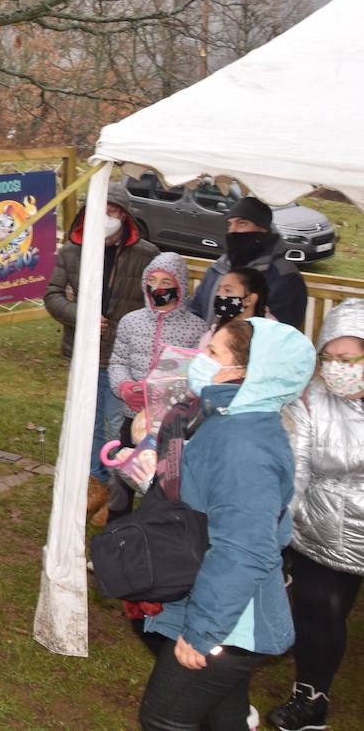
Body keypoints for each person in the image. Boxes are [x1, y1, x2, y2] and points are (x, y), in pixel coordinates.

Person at [138, 317, 316, 730]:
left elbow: (244, 549)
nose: (201, 358)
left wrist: (203, 631)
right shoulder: (233, 420)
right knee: (226, 718)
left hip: (231, 625)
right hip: (222, 609)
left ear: (248, 373)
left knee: (164, 720)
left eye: (214, 353)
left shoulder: (244, 446)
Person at [268, 300, 364, 731]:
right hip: (325, 531)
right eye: (329, 358)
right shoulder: (307, 403)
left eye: (348, 360)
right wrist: (279, 533)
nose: (337, 368)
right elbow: (296, 472)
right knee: (320, 612)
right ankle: (311, 699)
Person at [44, 189, 159, 524]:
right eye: (102, 209)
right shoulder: (72, 251)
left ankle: (117, 489)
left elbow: (156, 302)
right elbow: (53, 296)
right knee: (89, 422)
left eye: (115, 211)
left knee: (116, 424)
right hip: (85, 354)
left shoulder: (145, 254)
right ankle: (96, 483)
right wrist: (82, 314)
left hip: (125, 358)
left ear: (126, 216)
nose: (108, 217)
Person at [103, 253, 207, 524]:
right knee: (122, 476)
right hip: (132, 418)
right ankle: (116, 529)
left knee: (163, 479)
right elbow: (118, 361)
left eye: (166, 281)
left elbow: (199, 376)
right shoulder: (130, 321)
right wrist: (124, 387)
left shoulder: (197, 329)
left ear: (180, 286)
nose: (158, 288)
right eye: (152, 281)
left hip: (171, 424)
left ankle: (157, 530)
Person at [187, 196, 307, 331]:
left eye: (242, 223)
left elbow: (281, 332)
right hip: (207, 346)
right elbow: (195, 311)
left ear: (262, 229)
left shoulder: (284, 277)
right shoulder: (218, 268)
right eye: (230, 224)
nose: (233, 230)